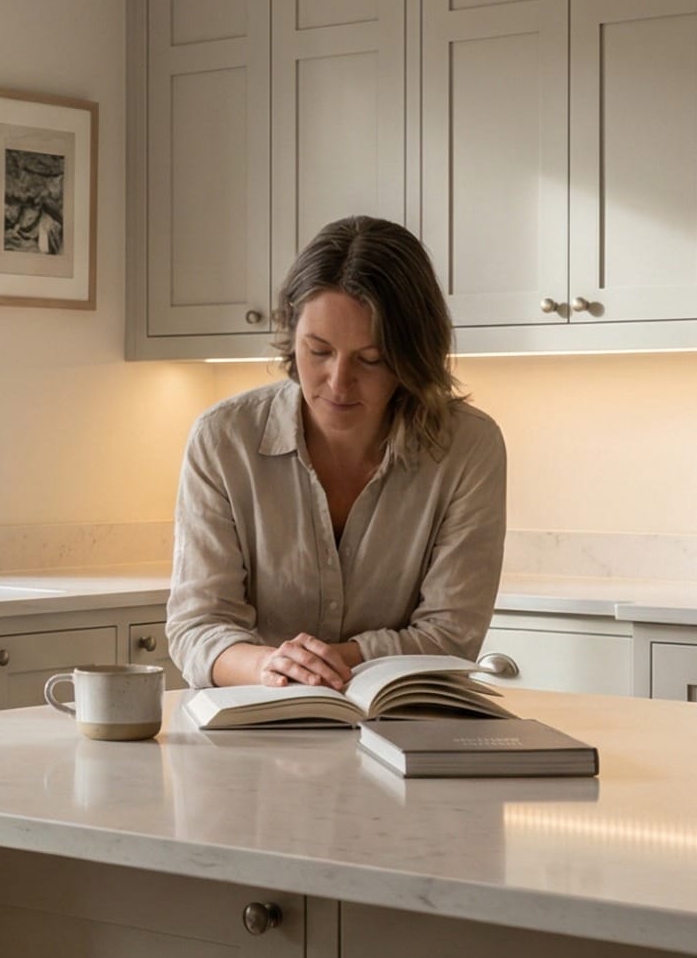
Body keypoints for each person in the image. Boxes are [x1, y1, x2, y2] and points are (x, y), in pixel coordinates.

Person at [167, 215, 506, 691]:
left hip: (405, 723)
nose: (339, 382)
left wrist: (321, 662)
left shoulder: (468, 448)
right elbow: (197, 627)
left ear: (412, 356)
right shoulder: (223, 439)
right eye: (318, 351)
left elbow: (452, 634)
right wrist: (272, 667)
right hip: (260, 722)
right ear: (291, 331)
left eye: (371, 359)